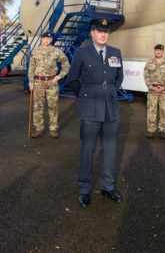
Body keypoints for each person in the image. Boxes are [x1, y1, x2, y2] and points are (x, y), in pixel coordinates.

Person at [66, 18, 124, 207]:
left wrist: (112, 91)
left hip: (111, 108)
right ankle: (84, 188)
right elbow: (73, 79)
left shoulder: (116, 52)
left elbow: (119, 77)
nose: (103, 34)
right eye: (99, 30)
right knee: (87, 150)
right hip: (90, 109)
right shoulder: (82, 53)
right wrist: (85, 96)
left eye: (106, 31)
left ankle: (108, 186)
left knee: (110, 149)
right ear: (92, 32)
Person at [28, 32, 70, 138]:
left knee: (53, 107)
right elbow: (31, 68)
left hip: (52, 82)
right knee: (38, 107)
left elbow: (66, 63)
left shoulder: (56, 51)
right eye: (44, 38)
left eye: (48, 38)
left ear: (51, 39)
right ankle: (38, 129)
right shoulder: (36, 51)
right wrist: (31, 82)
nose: (46, 40)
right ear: (41, 39)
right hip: (38, 83)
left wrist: (60, 76)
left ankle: (53, 128)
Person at [143, 44, 165, 139]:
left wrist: (164, 87)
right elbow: (146, 76)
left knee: (164, 110)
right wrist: (151, 87)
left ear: (163, 51)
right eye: (156, 50)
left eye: (160, 50)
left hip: (163, 91)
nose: (158, 52)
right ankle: (151, 129)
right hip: (152, 90)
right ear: (154, 51)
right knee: (151, 110)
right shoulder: (149, 63)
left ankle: (163, 129)